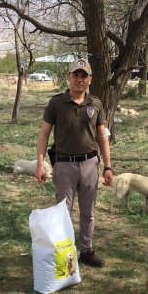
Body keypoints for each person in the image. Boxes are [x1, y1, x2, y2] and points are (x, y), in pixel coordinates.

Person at [35, 57, 114, 267]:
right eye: (75, 75)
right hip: (64, 165)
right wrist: (40, 163)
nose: (79, 79)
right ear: (69, 77)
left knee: (88, 212)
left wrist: (107, 166)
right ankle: (65, 253)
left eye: (84, 75)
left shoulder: (95, 104)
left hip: (89, 164)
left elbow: (102, 137)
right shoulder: (56, 103)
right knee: (63, 212)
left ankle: (87, 250)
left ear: (90, 79)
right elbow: (44, 135)